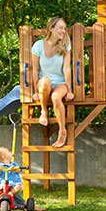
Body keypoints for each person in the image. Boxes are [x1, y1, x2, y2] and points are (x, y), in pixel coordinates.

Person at [32, 17, 74, 148]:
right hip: (44, 84)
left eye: (65, 28)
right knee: (45, 81)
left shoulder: (66, 45)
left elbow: (67, 68)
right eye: (61, 28)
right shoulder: (38, 46)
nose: (63, 30)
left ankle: (62, 131)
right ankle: (44, 111)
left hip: (60, 83)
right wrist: (35, 91)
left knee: (56, 97)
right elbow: (34, 69)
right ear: (51, 28)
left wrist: (70, 90)